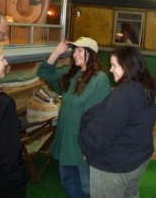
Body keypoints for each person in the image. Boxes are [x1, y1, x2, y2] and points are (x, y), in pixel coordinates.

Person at [78, 46, 156, 198]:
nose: (111, 70)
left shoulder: (124, 93)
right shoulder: (146, 87)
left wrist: (87, 148)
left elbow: (103, 133)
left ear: (128, 67)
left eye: (114, 65)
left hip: (114, 165)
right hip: (137, 159)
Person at [37, 37, 110, 198]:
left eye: (79, 51)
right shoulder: (72, 74)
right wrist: (57, 52)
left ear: (90, 54)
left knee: (86, 188)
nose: (74, 54)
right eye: (74, 50)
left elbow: (98, 119)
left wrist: (89, 147)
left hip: (82, 146)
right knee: (68, 183)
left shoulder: (100, 79)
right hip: (66, 141)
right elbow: (44, 72)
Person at [0, 42, 28, 197]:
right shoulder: (3, 104)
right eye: (2, 59)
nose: (6, 63)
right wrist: (20, 178)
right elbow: (9, 154)